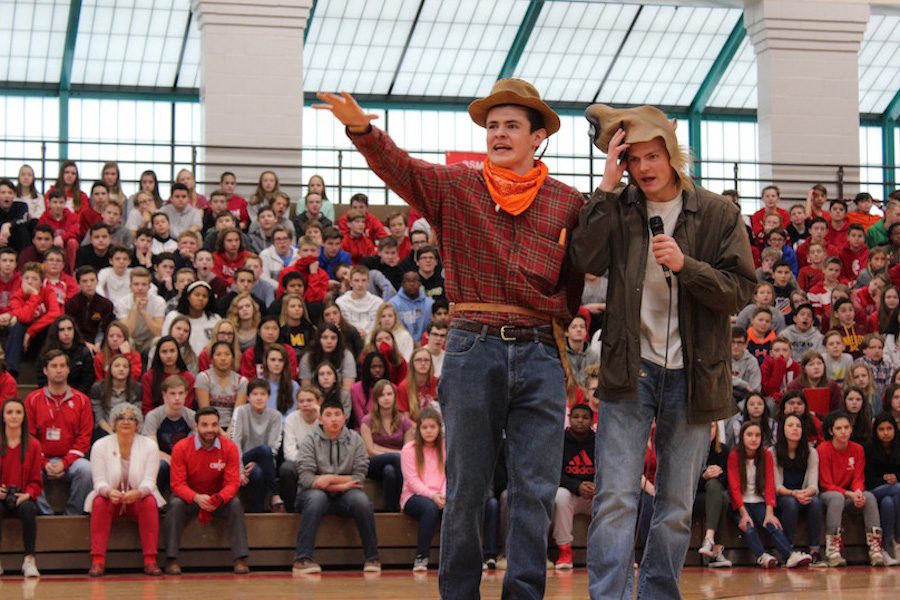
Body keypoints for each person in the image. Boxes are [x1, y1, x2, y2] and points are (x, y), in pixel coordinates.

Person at [317, 80, 584, 597]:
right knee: (464, 489)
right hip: (470, 344)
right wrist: (362, 128)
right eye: (492, 127)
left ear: (538, 138)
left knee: (533, 491)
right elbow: (401, 169)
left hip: (540, 350)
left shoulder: (567, 203)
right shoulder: (457, 185)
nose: (499, 134)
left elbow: (579, 275)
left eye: (511, 126)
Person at [569, 104, 756, 597]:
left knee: (675, 506)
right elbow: (584, 259)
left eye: (654, 155)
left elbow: (739, 291)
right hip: (631, 370)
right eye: (634, 160)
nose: (645, 168)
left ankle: (657, 592)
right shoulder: (620, 205)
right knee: (614, 499)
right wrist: (606, 188)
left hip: (694, 376)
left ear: (673, 155)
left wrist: (687, 266)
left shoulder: (719, 213)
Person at [292, 396, 380, 574]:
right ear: (320, 418)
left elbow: (359, 475)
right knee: (316, 498)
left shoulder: (355, 440)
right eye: (328, 415)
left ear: (344, 417)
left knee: (361, 501)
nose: (333, 419)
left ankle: (373, 558)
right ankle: (302, 559)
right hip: (312, 494)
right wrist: (340, 485)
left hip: (345, 495)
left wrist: (329, 479)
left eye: (337, 414)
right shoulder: (310, 440)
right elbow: (307, 479)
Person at [164, 406, 249, 575]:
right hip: (191, 498)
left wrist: (219, 498)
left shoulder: (229, 447)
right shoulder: (181, 448)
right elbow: (177, 484)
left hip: (218, 499)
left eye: (214, 425)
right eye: (205, 425)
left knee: (236, 503)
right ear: (196, 427)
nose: (210, 429)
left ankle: (240, 558)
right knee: (174, 504)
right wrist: (196, 497)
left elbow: (232, 483)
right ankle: (171, 559)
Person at [85, 404, 164, 577]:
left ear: (138, 424)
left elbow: (150, 482)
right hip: (110, 497)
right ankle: (98, 561)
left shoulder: (150, 446)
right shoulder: (100, 445)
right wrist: (108, 492)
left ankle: (150, 560)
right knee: (99, 501)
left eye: (131, 418)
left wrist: (138, 493)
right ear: (113, 422)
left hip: (137, 497)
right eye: (121, 418)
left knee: (149, 501)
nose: (126, 422)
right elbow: (98, 482)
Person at [727, 421, 813, 568]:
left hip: (759, 501)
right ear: (742, 437)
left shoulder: (766, 455)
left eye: (757, 435)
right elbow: (734, 487)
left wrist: (769, 511)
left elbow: (769, 485)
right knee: (749, 526)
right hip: (739, 504)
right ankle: (762, 556)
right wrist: (743, 513)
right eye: (749, 435)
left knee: (772, 524)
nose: (754, 439)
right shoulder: (734, 455)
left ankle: (790, 555)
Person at [25, 350, 93, 515]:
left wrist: (65, 462)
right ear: (45, 370)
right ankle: (46, 515)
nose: (59, 370)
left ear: (69, 370)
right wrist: (43, 463)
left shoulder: (82, 400)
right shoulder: (32, 399)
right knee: (25, 469)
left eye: (63, 366)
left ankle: (72, 515)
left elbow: (84, 439)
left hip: (71, 460)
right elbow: (29, 437)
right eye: (54, 366)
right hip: (41, 459)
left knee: (87, 470)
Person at [818, 411, 889, 566]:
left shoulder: (857, 449)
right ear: (831, 431)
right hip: (828, 496)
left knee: (868, 497)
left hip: (848, 496)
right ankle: (833, 551)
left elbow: (858, 478)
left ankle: (875, 548)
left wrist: (857, 492)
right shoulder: (823, 449)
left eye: (846, 427)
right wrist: (848, 493)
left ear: (851, 429)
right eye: (838, 428)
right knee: (836, 497)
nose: (843, 431)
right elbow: (826, 483)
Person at [771, 412, 825, 565]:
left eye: (798, 426)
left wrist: (807, 492)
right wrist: (793, 493)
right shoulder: (773, 452)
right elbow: (776, 487)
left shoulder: (811, 452)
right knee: (790, 503)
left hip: (803, 494)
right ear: (782, 429)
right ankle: (787, 551)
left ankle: (814, 550)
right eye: (790, 425)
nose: (795, 429)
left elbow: (814, 485)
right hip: (782, 496)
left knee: (815, 502)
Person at [0, 398, 43, 578]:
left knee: (28, 509)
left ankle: (29, 560)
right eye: (9, 412)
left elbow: (36, 482)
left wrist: (28, 494)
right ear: (3, 416)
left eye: (18, 412)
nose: (14, 416)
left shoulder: (33, 445)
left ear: (24, 416)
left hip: (23, 498)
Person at [400, 407, 447, 572]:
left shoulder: (446, 447)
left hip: (442, 495)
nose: (428, 431)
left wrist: (443, 495)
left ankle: (451, 559)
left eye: (432, 427)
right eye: (424, 427)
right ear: (418, 429)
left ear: (439, 428)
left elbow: (449, 475)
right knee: (430, 509)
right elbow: (412, 481)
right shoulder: (409, 450)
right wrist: (433, 495)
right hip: (414, 496)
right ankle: (421, 557)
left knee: (455, 508)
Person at [551, 403, 596, 570]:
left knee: (609, 498)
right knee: (560, 495)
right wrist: (577, 486)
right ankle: (564, 551)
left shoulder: (599, 441)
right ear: (569, 419)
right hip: (570, 493)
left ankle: (603, 553)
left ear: (592, 421)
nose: (580, 421)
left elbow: (608, 468)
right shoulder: (559, 441)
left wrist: (596, 485)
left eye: (585, 418)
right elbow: (553, 473)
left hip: (593, 494)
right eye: (576, 417)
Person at [229, 379, 284, 513]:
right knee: (264, 450)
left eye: (262, 394)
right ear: (248, 397)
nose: (259, 397)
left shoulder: (276, 416)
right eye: (255, 394)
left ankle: (256, 512)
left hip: (265, 462)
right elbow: (235, 441)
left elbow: (274, 447)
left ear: (268, 396)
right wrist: (240, 470)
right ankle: (275, 494)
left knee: (258, 472)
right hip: (243, 458)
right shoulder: (241, 411)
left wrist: (258, 461)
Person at [141, 375, 196, 498]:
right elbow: (152, 449)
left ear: (186, 394)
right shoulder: (153, 416)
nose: (177, 398)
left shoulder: (193, 417)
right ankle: (154, 500)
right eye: (172, 394)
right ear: (164, 395)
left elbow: (193, 448)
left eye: (181, 393)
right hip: (162, 459)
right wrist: (172, 460)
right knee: (161, 465)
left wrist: (178, 461)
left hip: (184, 459)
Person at [5, 262, 61, 376]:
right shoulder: (17, 296)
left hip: (40, 338)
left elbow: (55, 313)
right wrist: (34, 296)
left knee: (52, 326)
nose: (29, 281)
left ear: (41, 282)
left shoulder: (48, 291)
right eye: (26, 278)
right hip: (22, 343)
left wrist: (31, 331)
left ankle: (46, 370)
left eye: (34, 278)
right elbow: (25, 317)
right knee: (18, 325)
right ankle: (11, 371)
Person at [864, 413, 900, 563]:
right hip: (874, 491)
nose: (886, 433)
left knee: (888, 503)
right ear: (875, 431)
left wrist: (896, 477)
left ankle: (887, 547)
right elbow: (868, 479)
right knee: (898, 489)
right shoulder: (868, 447)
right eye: (881, 429)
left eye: (889, 428)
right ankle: (898, 540)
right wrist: (885, 480)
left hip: (892, 492)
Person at [695, 422, 732, 568]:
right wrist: (703, 477)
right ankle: (716, 550)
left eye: (711, 427)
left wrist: (717, 474)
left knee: (721, 495)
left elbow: (727, 481)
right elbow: (686, 484)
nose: (708, 431)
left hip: (712, 500)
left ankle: (709, 539)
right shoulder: (690, 451)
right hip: (691, 500)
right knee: (715, 488)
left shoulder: (723, 450)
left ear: (716, 429)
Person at [280, 385, 322, 512]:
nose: (305, 404)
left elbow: (330, 444)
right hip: (300, 461)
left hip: (323, 462)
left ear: (318, 402)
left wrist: (321, 417)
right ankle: (290, 509)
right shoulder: (291, 419)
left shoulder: (324, 418)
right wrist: (307, 462)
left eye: (309, 401)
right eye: (301, 401)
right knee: (286, 469)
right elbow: (289, 452)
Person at [195, 341, 248, 433]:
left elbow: (237, 415)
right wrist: (221, 433)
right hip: (209, 425)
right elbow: (205, 411)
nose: (223, 358)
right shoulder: (203, 378)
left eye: (227, 354)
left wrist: (229, 434)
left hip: (233, 428)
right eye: (218, 354)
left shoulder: (242, 381)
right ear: (211, 359)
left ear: (233, 358)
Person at [37, 315, 96, 395]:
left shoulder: (84, 352)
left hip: (79, 397)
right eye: (62, 330)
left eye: (69, 329)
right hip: (51, 396)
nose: (66, 333)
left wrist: (74, 397)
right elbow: (42, 380)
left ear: (74, 330)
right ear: (56, 332)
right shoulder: (46, 353)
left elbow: (88, 381)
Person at [113, 267, 166, 355]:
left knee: (159, 340)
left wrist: (143, 312)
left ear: (149, 286)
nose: (140, 288)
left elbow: (158, 332)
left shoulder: (159, 302)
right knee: (127, 341)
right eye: (136, 284)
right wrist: (134, 309)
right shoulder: (122, 302)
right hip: (132, 341)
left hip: (149, 341)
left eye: (144, 284)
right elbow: (127, 333)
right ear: (130, 286)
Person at [90, 354, 142, 442]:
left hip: (128, 426)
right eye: (117, 366)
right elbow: (99, 418)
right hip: (105, 428)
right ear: (110, 369)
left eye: (125, 366)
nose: (121, 369)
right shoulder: (98, 388)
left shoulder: (137, 388)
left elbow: (135, 415)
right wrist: (112, 433)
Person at [163, 281, 221, 357]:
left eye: (204, 296)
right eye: (197, 295)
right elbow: (164, 343)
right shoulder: (173, 316)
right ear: (188, 297)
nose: (201, 298)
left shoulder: (215, 319)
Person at [141, 336, 196, 415]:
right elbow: (147, 407)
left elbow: (187, 407)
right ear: (158, 354)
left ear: (178, 352)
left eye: (172, 351)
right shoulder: (149, 377)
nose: (169, 355)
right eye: (164, 352)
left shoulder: (188, 377)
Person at [66, 266, 114, 347]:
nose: (89, 284)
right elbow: (72, 328)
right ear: (78, 284)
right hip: (77, 342)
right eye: (84, 281)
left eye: (92, 280)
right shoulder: (72, 303)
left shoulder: (106, 304)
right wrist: (85, 344)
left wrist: (98, 344)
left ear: (97, 282)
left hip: (100, 342)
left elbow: (104, 328)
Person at [388, 270, 434, 341]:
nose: (412, 284)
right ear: (402, 284)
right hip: (400, 343)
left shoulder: (430, 304)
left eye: (415, 281)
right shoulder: (393, 304)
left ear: (420, 283)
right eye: (408, 281)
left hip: (426, 344)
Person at [397, 347, 439, 421]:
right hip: (413, 428)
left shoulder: (437, 383)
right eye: (418, 360)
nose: (423, 363)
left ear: (431, 364)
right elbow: (405, 419)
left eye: (426, 360)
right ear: (412, 363)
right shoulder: (403, 387)